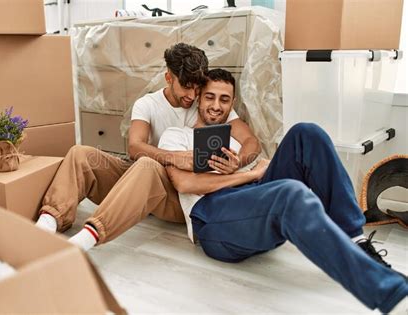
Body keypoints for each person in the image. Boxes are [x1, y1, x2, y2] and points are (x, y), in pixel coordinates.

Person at [159, 69, 407, 313]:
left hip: (253, 200)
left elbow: (253, 151)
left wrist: (244, 166)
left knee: (307, 133)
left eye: (224, 99)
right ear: (199, 97)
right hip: (213, 220)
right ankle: (392, 296)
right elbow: (185, 184)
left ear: (231, 103)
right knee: (291, 193)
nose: (216, 105)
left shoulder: (232, 141)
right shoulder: (176, 136)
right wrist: (248, 174)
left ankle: (356, 240)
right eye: (210, 97)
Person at [35, 43, 260, 251]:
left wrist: (237, 162)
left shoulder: (207, 102)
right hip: (146, 175)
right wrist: (175, 157)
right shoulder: (148, 104)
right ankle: (48, 222)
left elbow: (251, 142)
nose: (192, 95)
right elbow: (135, 147)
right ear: (169, 78)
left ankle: (87, 238)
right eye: (186, 87)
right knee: (80, 154)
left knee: (147, 165)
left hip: (177, 193)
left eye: (197, 88)